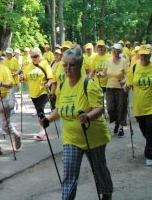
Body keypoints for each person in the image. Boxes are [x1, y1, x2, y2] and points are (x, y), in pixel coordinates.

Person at [41, 48, 113, 199]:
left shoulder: (89, 84)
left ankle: (106, 194)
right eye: (65, 65)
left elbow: (99, 108)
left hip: (93, 137)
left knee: (99, 169)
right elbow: (59, 109)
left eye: (72, 65)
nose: (67, 69)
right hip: (71, 138)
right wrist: (47, 119)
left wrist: (87, 117)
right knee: (69, 174)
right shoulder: (61, 86)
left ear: (79, 65)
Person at [126, 44, 152, 166]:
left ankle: (149, 155)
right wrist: (126, 86)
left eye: (146, 55)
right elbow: (129, 83)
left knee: (150, 130)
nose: (143, 57)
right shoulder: (134, 67)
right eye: (142, 55)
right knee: (144, 131)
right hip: (138, 106)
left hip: (151, 106)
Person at [23, 47, 54, 140]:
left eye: (36, 56)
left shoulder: (45, 64)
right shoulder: (29, 66)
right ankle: (43, 129)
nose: (34, 58)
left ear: (40, 55)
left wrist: (48, 84)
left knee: (40, 110)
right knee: (39, 112)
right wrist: (22, 78)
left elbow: (51, 78)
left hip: (43, 92)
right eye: (32, 57)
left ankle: (42, 131)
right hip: (33, 93)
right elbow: (25, 77)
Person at [99, 43, 129, 137]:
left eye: (117, 51)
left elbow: (128, 75)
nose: (115, 52)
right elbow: (104, 73)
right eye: (113, 50)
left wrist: (124, 81)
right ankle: (116, 121)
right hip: (110, 87)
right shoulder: (108, 61)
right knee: (110, 108)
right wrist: (100, 74)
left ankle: (120, 127)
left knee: (121, 107)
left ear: (120, 52)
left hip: (120, 88)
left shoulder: (123, 61)